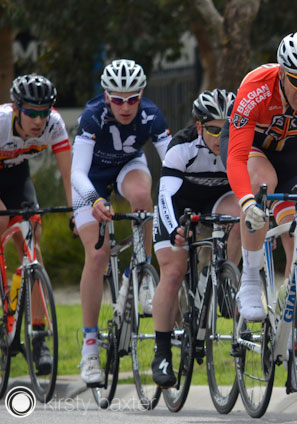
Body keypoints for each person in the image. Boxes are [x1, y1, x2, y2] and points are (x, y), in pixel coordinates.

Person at [222, 29, 297, 391]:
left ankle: (296, 347)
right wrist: (246, 202)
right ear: (282, 73)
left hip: (290, 157)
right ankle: (250, 280)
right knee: (262, 183)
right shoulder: (256, 88)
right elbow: (236, 157)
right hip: (249, 153)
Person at [71, 59, 172, 385]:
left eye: (133, 99)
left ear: (141, 95)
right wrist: (94, 200)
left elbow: (172, 165)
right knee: (97, 255)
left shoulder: (151, 115)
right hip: (92, 179)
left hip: (128, 166)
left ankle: (140, 272)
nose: (126, 107)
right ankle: (89, 346)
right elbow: (77, 172)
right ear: (107, 97)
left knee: (142, 196)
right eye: (118, 99)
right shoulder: (92, 115)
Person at [150, 88, 241, 387]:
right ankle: (162, 351)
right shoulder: (182, 147)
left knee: (241, 215)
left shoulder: (239, 145)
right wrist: (174, 228)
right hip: (178, 206)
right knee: (173, 273)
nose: (220, 137)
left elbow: (248, 191)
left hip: (217, 201)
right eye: (214, 130)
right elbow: (165, 196)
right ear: (200, 127)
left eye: (227, 129)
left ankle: (224, 279)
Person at [0, 74, 72, 375]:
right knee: (2, 219)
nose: (39, 120)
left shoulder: (54, 124)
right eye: (31, 112)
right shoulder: (1, 123)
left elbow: (68, 174)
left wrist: (75, 213)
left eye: (44, 112)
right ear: (17, 109)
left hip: (18, 179)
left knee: (32, 242)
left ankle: (39, 335)